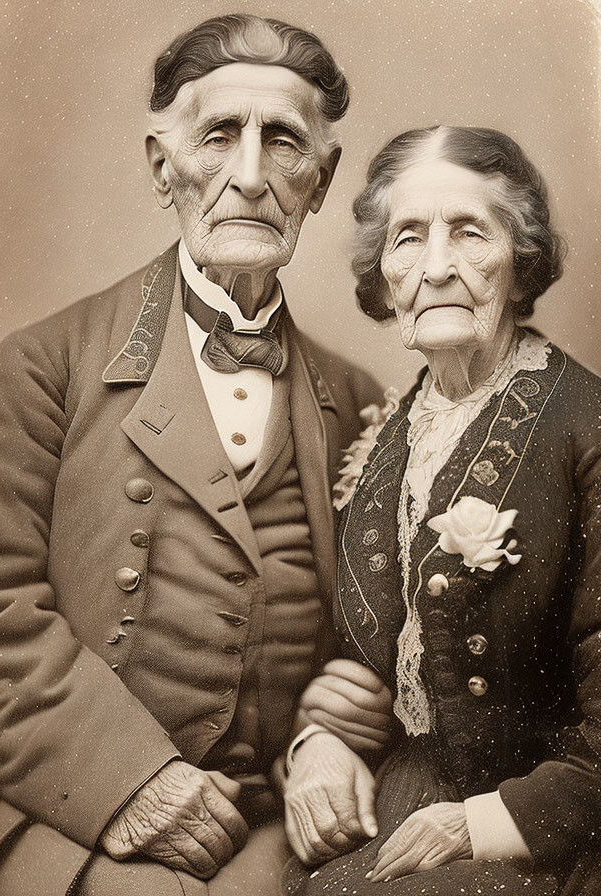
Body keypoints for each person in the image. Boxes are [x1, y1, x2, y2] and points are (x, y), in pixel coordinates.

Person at [0, 15, 391, 896]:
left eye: (283, 143)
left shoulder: (354, 401)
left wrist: (323, 738)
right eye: (219, 136)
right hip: (64, 803)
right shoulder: (45, 367)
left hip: (267, 818)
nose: (249, 176)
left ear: (322, 179)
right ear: (164, 167)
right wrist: (130, 783)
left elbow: (373, 632)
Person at [283, 125, 601, 896]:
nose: (436, 268)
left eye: (468, 233)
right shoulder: (393, 429)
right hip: (406, 787)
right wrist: (318, 743)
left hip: (546, 823)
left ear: (520, 261)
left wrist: (486, 823)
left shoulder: (584, 428)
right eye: (408, 239)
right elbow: (364, 658)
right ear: (383, 276)